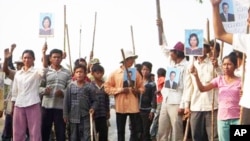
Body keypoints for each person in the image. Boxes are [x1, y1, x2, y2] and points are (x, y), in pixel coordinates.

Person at [211, 0, 250, 125]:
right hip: (247, 106)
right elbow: (220, 34)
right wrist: (215, 6)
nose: (247, 20)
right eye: (248, 17)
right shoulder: (247, 40)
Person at [190, 53, 241, 141]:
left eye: (229, 64)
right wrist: (196, 76)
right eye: (224, 64)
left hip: (238, 118)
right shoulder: (219, 80)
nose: (226, 67)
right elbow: (202, 89)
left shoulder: (241, 81)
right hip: (222, 119)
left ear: (235, 66)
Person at [104, 50, 144, 141]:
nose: (133, 61)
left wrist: (136, 90)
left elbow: (142, 88)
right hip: (120, 106)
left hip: (133, 106)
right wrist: (120, 90)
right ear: (125, 60)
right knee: (120, 131)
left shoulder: (136, 73)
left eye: (133, 59)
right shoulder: (115, 73)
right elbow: (107, 88)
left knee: (135, 130)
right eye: (131, 59)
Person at [184, 40, 219, 141]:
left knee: (213, 136)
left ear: (208, 49)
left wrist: (217, 67)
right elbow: (188, 87)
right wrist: (187, 105)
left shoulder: (214, 62)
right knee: (197, 136)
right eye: (198, 47)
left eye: (203, 47)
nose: (200, 49)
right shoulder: (191, 66)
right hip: (196, 106)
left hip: (212, 106)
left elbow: (222, 79)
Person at [11, 49, 46, 141]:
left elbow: (44, 69)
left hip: (33, 103)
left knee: (35, 132)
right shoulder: (18, 73)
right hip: (19, 105)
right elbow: (14, 91)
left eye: (29, 58)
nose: (27, 60)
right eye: (25, 58)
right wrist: (12, 105)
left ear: (33, 59)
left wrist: (43, 53)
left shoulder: (36, 71)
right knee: (17, 132)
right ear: (22, 59)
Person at [157, 41, 189, 141]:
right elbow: (163, 47)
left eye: (172, 52)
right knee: (162, 131)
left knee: (176, 132)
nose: (170, 54)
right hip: (166, 101)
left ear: (177, 53)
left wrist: (183, 105)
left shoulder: (186, 66)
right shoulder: (172, 63)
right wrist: (160, 27)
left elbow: (187, 88)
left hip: (176, 103)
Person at [41, 48, 71, 141]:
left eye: (59, 57)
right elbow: (38, 87)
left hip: (61, 107)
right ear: (50, 58)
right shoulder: (45, 71)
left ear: (62, 58)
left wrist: (63, 92)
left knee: (61, 133)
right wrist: (44, 91)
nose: (57, 59)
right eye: (54, 57)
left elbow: (70, 88)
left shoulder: (67, 72)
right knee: (44, 132)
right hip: (46, 106)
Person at [63, 64, 97, 140]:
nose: (79, 74)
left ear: (85, 74)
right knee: (74, 137)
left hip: (86, 116)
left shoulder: (89, 87)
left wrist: (93, 108)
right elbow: (66, 101)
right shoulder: (70, 86)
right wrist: (65, 114)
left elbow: (95, 101)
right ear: (74, 74)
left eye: (81, 72)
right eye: (77, 72)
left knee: (86, 136)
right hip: (73, 116)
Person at [2, 44, 25, 141]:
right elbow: (6, 69)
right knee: (8, 123)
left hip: (24, 103)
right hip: (11, 102)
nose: (19, 66)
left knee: (21, 125)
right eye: (18, 64)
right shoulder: (15, 73)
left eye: (21, 64)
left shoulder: (33, 74)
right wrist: (7, 58)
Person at [89, 64, 110, 141]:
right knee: (93, 134)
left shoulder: (106, 85)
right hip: (94, 114)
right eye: (97, 72)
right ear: (92, 73)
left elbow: (107, 99)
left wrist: (108, 111)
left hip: (103, 114)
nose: (99, 74)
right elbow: (89, 100)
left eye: (101, 72)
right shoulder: (89, 86)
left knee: (104, 134)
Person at [139, 61, 157, 141]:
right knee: (138, 131)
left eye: (147, 70)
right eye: (143, 69)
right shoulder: (137, 82)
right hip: (136, 110)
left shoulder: (152, 84)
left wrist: (152, 111)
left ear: (150, 71)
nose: (144, 71)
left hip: (146, 111)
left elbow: (154, 97)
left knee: (146, 132)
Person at [150, 68, 166, 141]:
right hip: (161, 101)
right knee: (157, 117)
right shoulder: (162, 78)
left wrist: (158, 91)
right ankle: (152, 133)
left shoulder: (159, 79)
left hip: (160, 100)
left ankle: (153, 133)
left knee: (158, 118)